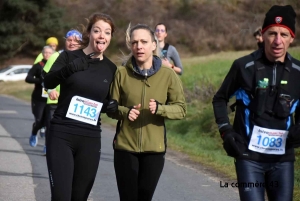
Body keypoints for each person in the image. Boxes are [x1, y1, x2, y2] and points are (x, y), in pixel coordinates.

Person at [212, 5, 300, 201]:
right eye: (272, 33)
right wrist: (226, 131)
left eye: (284, 35)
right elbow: (220, 99)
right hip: (249, 157)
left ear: (292, 38)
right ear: (263, 35)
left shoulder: (298, 72)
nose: (277, 41)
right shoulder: (244, 66)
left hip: (282, 159)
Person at [108, 23, 186, 201]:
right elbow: (111, 108)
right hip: (125, 147)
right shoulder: (121, 73)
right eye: (134, 42)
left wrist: (160, 109)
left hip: (154, 149)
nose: (139, 46)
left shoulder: (168, 75)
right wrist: (125, 112)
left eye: (144, 41)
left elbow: (181, 109)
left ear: (154, 45)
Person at [44, 13, 118, 201]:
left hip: (90, 140)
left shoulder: (111, 69)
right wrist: (69, 69)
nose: (102, 35)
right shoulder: (69, 57)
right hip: (62, 135)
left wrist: (110, 107)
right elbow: (48, 81)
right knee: (61, 197)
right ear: (89, 34)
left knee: (79, 197)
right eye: (97, 30)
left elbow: (107, 103)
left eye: (107, 32)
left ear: (110, 38)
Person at [41, 29, 82, 155]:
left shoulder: (84, 57)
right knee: (52, 126)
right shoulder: (56, 56)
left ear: (81, 43)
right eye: (69, 40)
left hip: (74, 101)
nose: (72, 43)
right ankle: (50, 147)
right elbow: (44, 75)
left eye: (76, 41)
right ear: (65, 41)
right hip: (55, 99)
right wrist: (50, 89)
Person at [26, 45, 54, 147]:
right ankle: (34, 133)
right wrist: (40, 81)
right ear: (42, 54)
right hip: (38, 98)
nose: (47, 54)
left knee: (49, 122)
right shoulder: (38, 65)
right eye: (45, 52)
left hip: (51, 99)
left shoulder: (56, 65)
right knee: (39, 121)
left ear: (53, 54)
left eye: (49, 53)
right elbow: (28, 78)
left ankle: (47, 146)